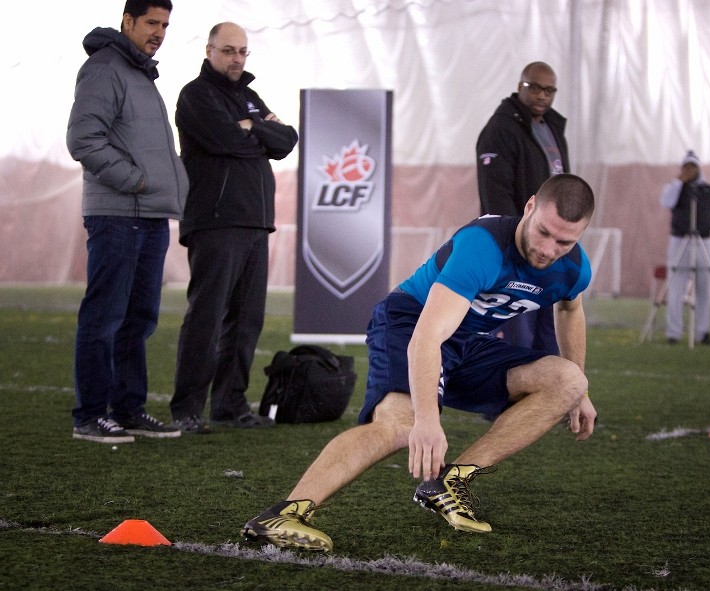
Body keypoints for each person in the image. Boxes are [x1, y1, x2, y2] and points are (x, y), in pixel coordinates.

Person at [241, 173, 598, 552]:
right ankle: (284, 514)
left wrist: (581, 390)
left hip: (468, 343)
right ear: (529, 207)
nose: (548, 249)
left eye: (564, 241)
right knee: (399, 426)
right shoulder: (483, 247)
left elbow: (570, 308)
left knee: (569, 381)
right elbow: (426, 338)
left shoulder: (574, 268)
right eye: (543, 232)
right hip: (409, 323)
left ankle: (449, 481)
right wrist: (427, 422)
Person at [66, 0, 187, 444]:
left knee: (138, 319)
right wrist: (134, 181)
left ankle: (129, 409)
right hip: (117, 214)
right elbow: (83, 138)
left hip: (149, 215)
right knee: (104, 317)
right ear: (128, 21)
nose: (159, 31)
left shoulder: (140, 73)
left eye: (165, 24)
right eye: (152, 22)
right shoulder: (105, 68)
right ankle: (90, 415)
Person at [169, 22, 299, 433]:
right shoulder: (195, 96)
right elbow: (228, 141)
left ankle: (229, 404)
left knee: (247, 320)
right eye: (228, 51)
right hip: (216, 221)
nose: (236, 59)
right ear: (209, 51)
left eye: (242, 51)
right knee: (206, 318)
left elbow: (286, 139)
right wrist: (252, 131)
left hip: (256, 223)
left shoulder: (248, 96)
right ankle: (187, 409)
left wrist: (253, 127)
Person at [476, 61, 571, 355]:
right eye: (535, 88)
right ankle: (510, 398)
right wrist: (515, 245)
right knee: (517, 340)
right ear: (520, 87)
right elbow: (496, 195)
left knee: (546, 341)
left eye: (549, 90)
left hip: (547, 250)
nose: (542, 96)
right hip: (518, 250)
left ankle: (548, 397)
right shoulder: (500, 129)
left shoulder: (552, 127)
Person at [660, 150, 710, 345]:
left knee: (705, 288)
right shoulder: (674, 188)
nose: (690, 171)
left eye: (693, 167)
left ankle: (702, 332)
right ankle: (673, 333)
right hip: (679, 240)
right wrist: (679, 182)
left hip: (703, 242)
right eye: (686, 167)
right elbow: (666, 201)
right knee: (676, 287)